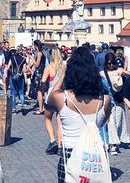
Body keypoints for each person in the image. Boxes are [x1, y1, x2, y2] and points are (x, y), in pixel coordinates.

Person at [46, 47, 111, 183]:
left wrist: (63, 73)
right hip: (94, 155)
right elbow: (105, 120)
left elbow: (50, 96)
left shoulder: (62, 98)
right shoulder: (105, 100)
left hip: (70, 153)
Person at [100, 52, 130, 155]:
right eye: (109, 63)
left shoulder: (119, 70)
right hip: (109, 101)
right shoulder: (102, 73)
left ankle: (116, 142)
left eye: (113, 63)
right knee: (111, 123)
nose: (111, 65)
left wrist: (124, 73)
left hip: (119, 99)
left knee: (119, 122)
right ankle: (112, 145)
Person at [42, 47, 66, 154]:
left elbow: (43, 82)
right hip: (61, 95)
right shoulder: (64, 67)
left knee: (47, 118)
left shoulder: (48, 67)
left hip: (51, 94)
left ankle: (52, 140)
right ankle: (61, 144)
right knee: (59, 121)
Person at [6, 47, 27, 113]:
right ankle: (23, 107)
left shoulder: (12, 58)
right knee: (21, 92)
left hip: (12, 76)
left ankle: (14, 109)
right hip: (20, 77)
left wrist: (8, 73)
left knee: (13, 92)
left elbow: (8, 67)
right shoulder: (23, 59)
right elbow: (24, 70)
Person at [32, 40, 47, 114]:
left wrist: (32, 59)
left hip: (39, 74)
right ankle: (42, 107)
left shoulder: (39, 54)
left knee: (39, 91)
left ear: (35, 45)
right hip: (41, 73)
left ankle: (41, 109)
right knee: (40, 91)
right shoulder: (42, 53)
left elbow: (37, 65)